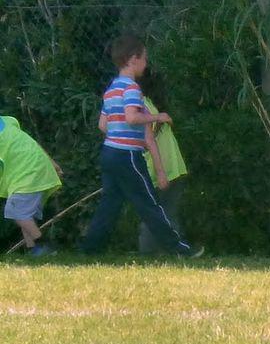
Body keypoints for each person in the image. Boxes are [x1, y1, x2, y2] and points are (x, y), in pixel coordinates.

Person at [79, 34, 202, 257]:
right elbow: (132, 118)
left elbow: (103, 125)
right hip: (128, 157)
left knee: (110, 204)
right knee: (149, 204)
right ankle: (179, 249)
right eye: (144, 59)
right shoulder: (132, 89)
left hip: (109, 153)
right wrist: (158, 117)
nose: (146, 64)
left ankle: (90, 250)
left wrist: (123, 136)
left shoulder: (112, 88)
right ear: (133, 59)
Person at [136, 72, 190, 254]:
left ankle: (168, 250)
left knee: (166, 211)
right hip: (159, 169)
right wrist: (159, 120)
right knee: (157, 212)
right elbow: (145, 138)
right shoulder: (137, 105)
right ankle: (169, 250)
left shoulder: (147, 102)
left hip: (172, 166)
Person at [0, 115, 63, 257]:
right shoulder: (8, 120)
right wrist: (52, 163)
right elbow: (31, 143)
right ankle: (33, 251)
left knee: (16, 211)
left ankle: (44, 245)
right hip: (33, 167)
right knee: (26, 215)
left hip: (28, 171)